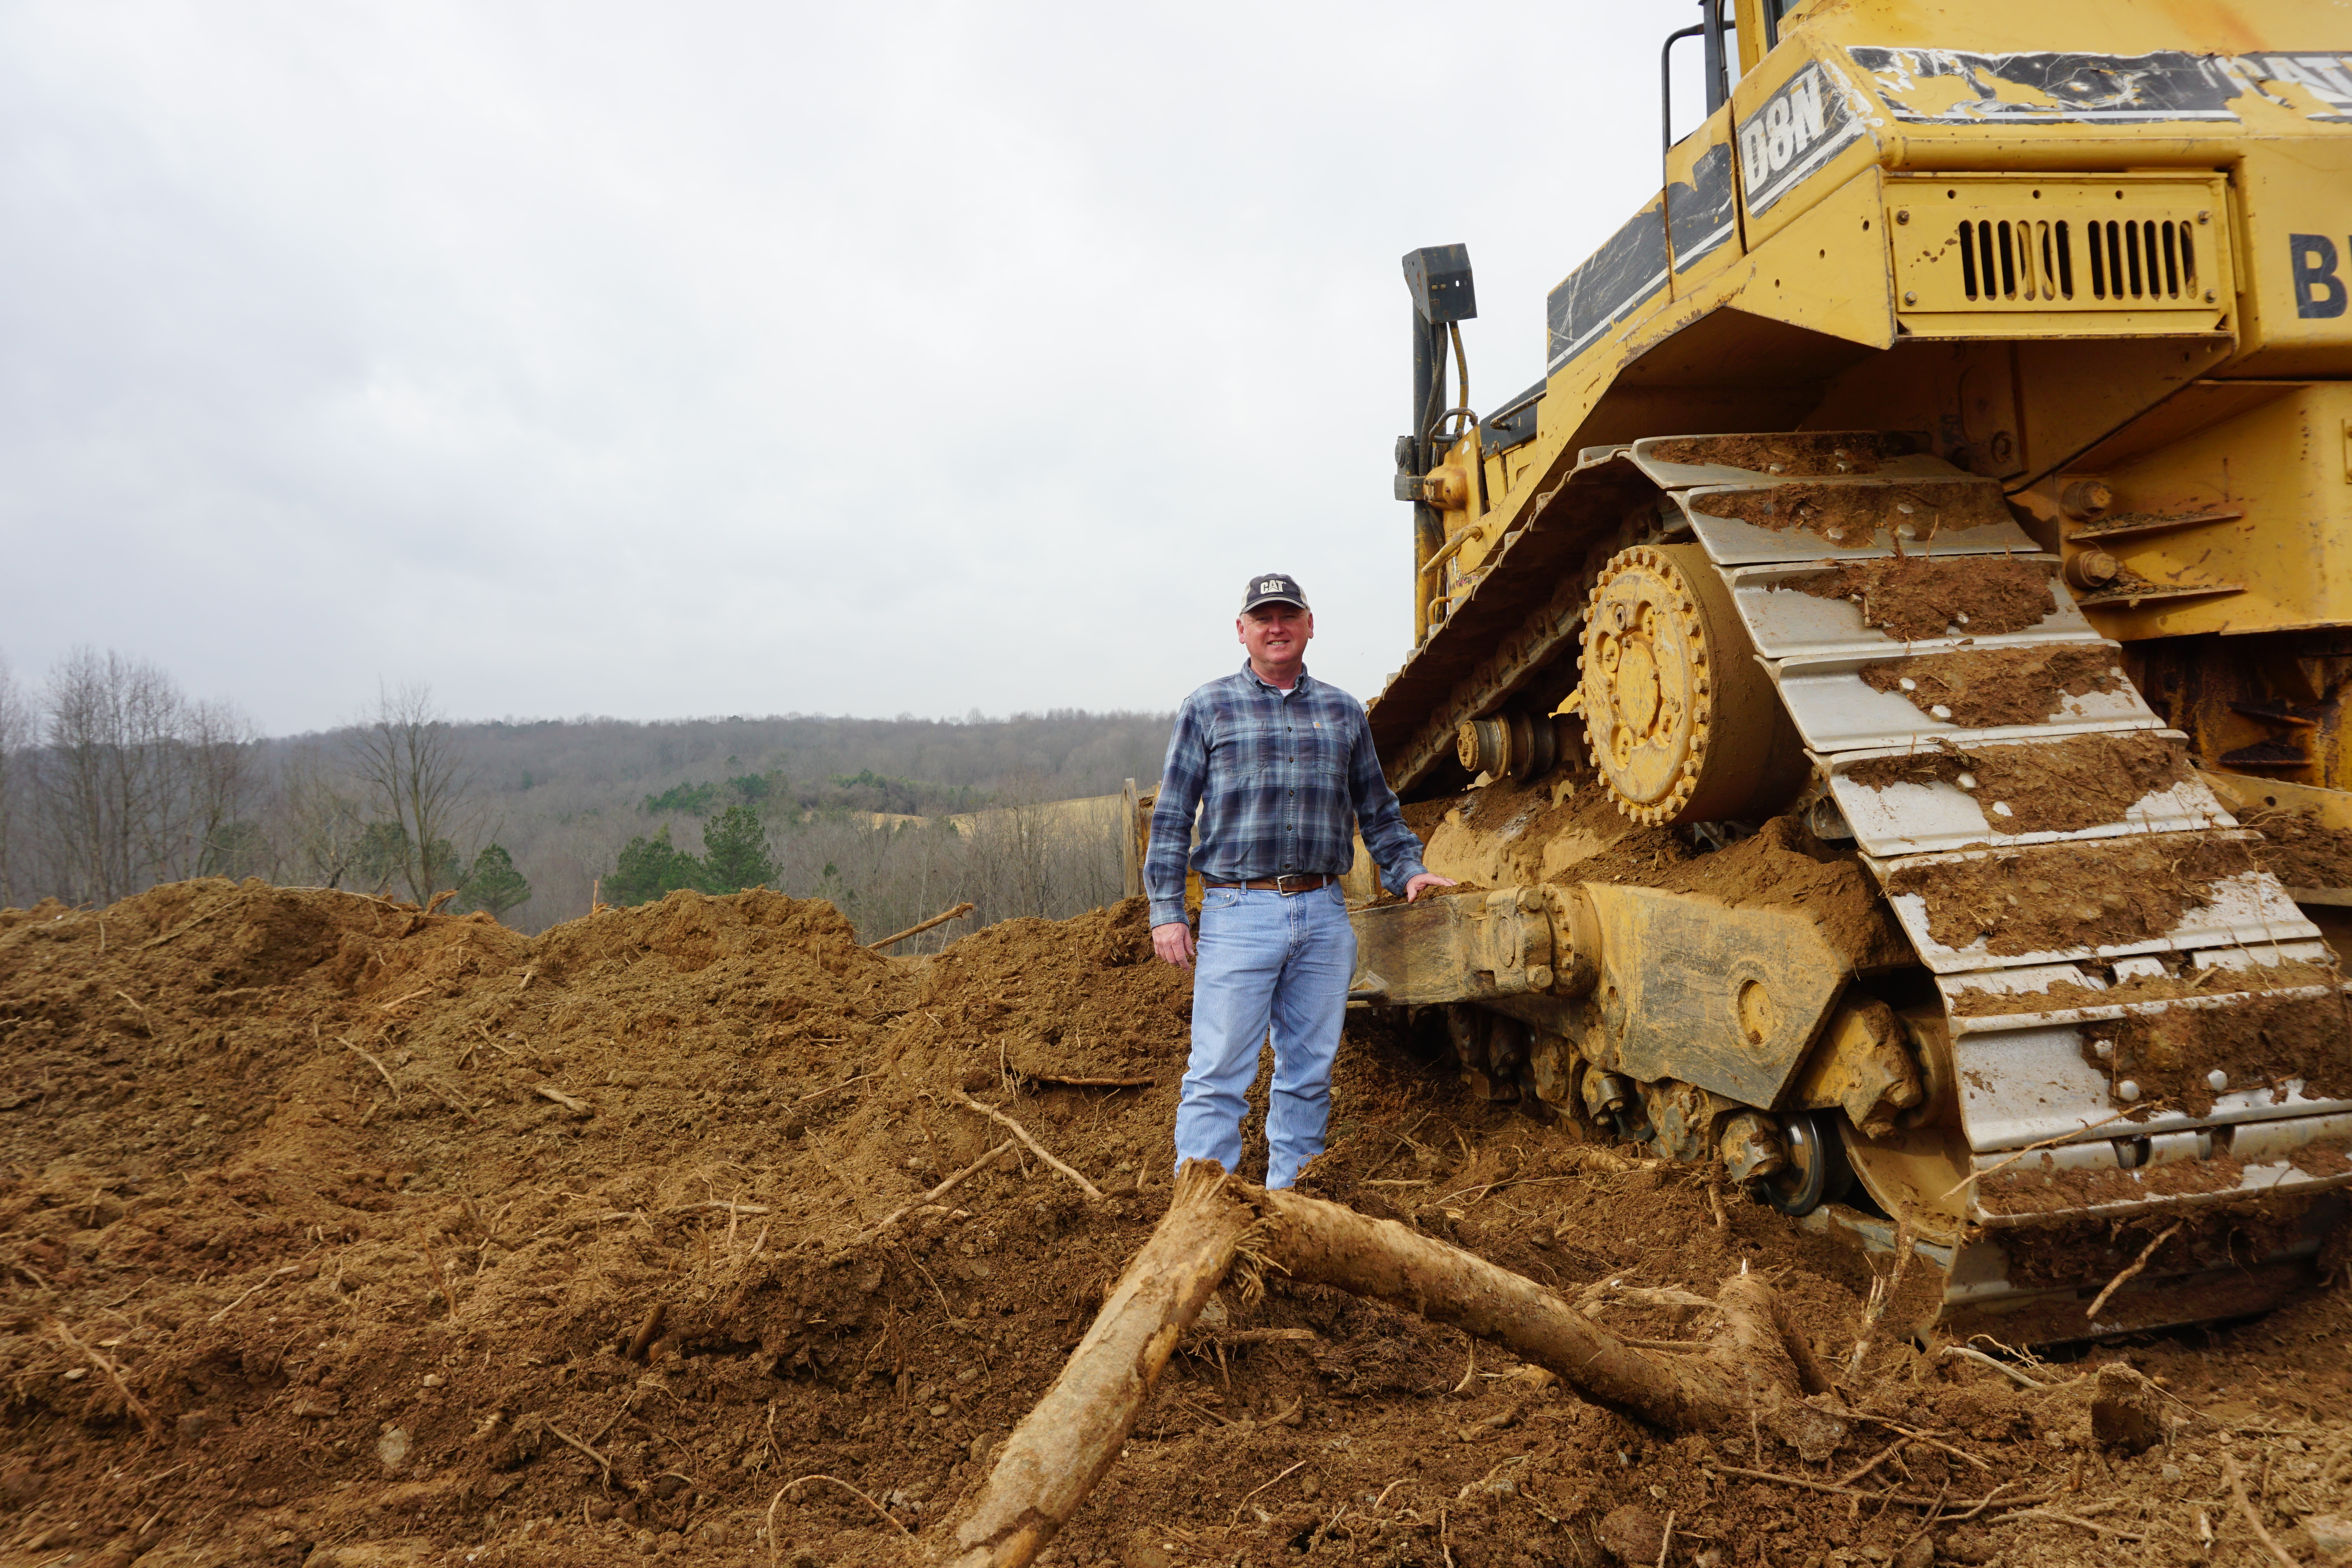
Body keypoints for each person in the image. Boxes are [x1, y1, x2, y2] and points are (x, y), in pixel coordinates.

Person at [1146, 572, 1455, 1188]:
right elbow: (1174, 813)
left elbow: (1377, 808)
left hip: (1322, 914)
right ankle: (1202, 1211)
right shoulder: (1207, 707)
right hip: (1239, 912)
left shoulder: (1342, 711)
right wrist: (1166, 908)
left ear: (1310, 625)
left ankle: (1293, 1207)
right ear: (1243, 632)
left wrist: (1410, 871)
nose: (1277, 627)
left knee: (1308, 1073)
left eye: (1288, 615)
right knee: (1218, 1076)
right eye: (1264, 618)